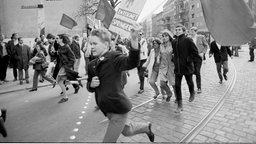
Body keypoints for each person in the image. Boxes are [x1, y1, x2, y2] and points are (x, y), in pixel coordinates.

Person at [87, 27, 154, 143]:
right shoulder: (92, 64)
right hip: (107, 110)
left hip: (117, 108)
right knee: (127, 131)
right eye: (90, 43)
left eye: (94, 43)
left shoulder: (114, 57)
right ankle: (146, 127)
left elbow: (132, 62)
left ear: (106, 44)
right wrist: (91, 85)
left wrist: (133, 41)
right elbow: (90, 86)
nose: (91, 46)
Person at [172, 24, 199, 113]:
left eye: (179, 29)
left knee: (189, 82)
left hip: (187, 66)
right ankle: (180, 105)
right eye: (176, 29)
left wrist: (188, 59)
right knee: (177, 85)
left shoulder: (188, 40)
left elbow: (195, 52)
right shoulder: (174, 41)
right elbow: (175, 53)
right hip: (178, 68)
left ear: (183, 31)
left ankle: (192, 92)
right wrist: (174, 59)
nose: (177, 31)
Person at [56, 34, 80, 103]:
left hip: (66, 66)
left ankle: (65, 97)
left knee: (60, 81)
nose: (56, 39)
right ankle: (76, 83)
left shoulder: (67, 47)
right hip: (62, 66)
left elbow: (73, 59)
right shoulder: (60, 47)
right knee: (60, 81)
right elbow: (61, 57)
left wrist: (67, 66)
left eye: (57, 38)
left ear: (61, 39)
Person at [190, 27, 209, 94]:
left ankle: (199, 87)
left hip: (198, 57)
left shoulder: (201, 37)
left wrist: (203, 53)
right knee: (190, 72)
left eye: (193, 31)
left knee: (197, 72)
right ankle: (191, 88)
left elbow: (206, 46)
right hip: (191, 57)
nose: (191, 32)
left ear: (195, 32)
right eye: (191, 31)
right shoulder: (189, 39)